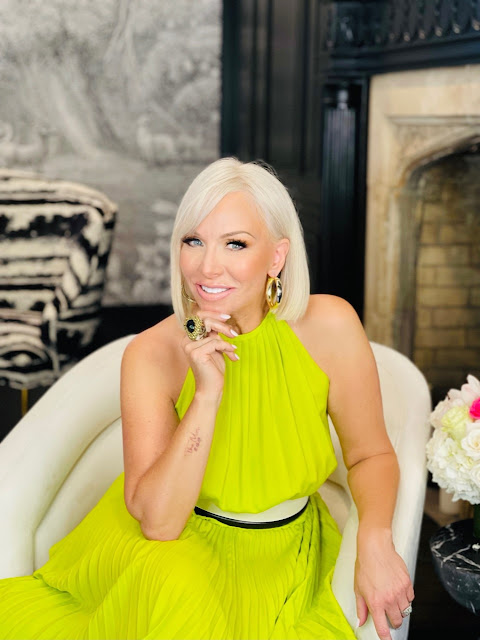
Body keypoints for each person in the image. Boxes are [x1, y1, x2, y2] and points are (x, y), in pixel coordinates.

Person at [0, 157, 414, 640]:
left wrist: (376, 537)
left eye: (235, 243)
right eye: (193, 240)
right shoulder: (152, 354)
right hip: (170, 553)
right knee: (178, 594)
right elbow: (160, 524)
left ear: (276, 257)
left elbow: (370, 455)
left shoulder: (330, 326)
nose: (206, 266)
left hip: (285, 556)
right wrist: (207, 396)